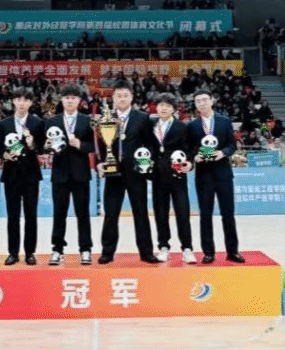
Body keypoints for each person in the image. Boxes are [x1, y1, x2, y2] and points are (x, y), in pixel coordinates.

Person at [96, 80, 159, 264]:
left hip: (136, 173)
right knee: (110, 214)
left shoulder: (143, 118)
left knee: (141, 212)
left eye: (125, 95)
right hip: (113, 172)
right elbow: (100, 145)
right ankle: (107, 252)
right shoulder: (106, 118)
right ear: (113, 98)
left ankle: (146, 252)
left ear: (131, 97)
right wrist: (100, 163)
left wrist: (145, 160)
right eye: (118, 96)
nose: (122, 99)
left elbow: (151, 144)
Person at [189, 88, 244, 264]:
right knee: (205, 215)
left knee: (228, 214)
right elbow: (189, 149)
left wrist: (223, 153)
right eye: (198, 101)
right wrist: (194, 157)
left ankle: (232, 251)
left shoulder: (224, 121)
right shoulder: (192, 125)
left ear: (211, 101)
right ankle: (208, 252)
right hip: (203, 175)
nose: (202, 103)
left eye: (205, 100)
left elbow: (232, 145)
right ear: (195, 105)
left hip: (223, 174)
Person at [46, 84, 95, 265]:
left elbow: (93, 145)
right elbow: (45, 145)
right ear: (62, 99)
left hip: (81, 173)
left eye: (73, 98)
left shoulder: (87, 121)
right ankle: (57, 249)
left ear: (79, 100)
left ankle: (85, 249)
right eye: (67, 97)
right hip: (59, 174)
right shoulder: (52, 121)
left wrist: (80, 145)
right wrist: (47, 147)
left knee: (83, 213)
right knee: (59, 213)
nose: (70, 101)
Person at [0, 87, 45, 265]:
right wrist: (4, 155)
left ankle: (30, 252)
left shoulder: (37, 123)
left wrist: (32, 145)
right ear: (13, 102)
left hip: (31, 174)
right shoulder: (3, 124)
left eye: (26, 100)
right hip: (11, 174)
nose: (22, 103)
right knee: (13, 216)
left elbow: (42, 147)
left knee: (31, 215)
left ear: (31, 102)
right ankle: (13, 252)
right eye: (18, 99)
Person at [150, 92, 196, 264]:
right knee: (160, 213)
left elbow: (190, 149)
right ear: (156, 107)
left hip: (177, 175)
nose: (164, 108)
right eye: (161, 105)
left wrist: (189, 162)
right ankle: (163, 247)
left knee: (182, 212)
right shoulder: (150, 125)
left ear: (173, 109)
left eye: (168, 106)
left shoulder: (182, 127)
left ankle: (187, 248)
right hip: (157, 175)